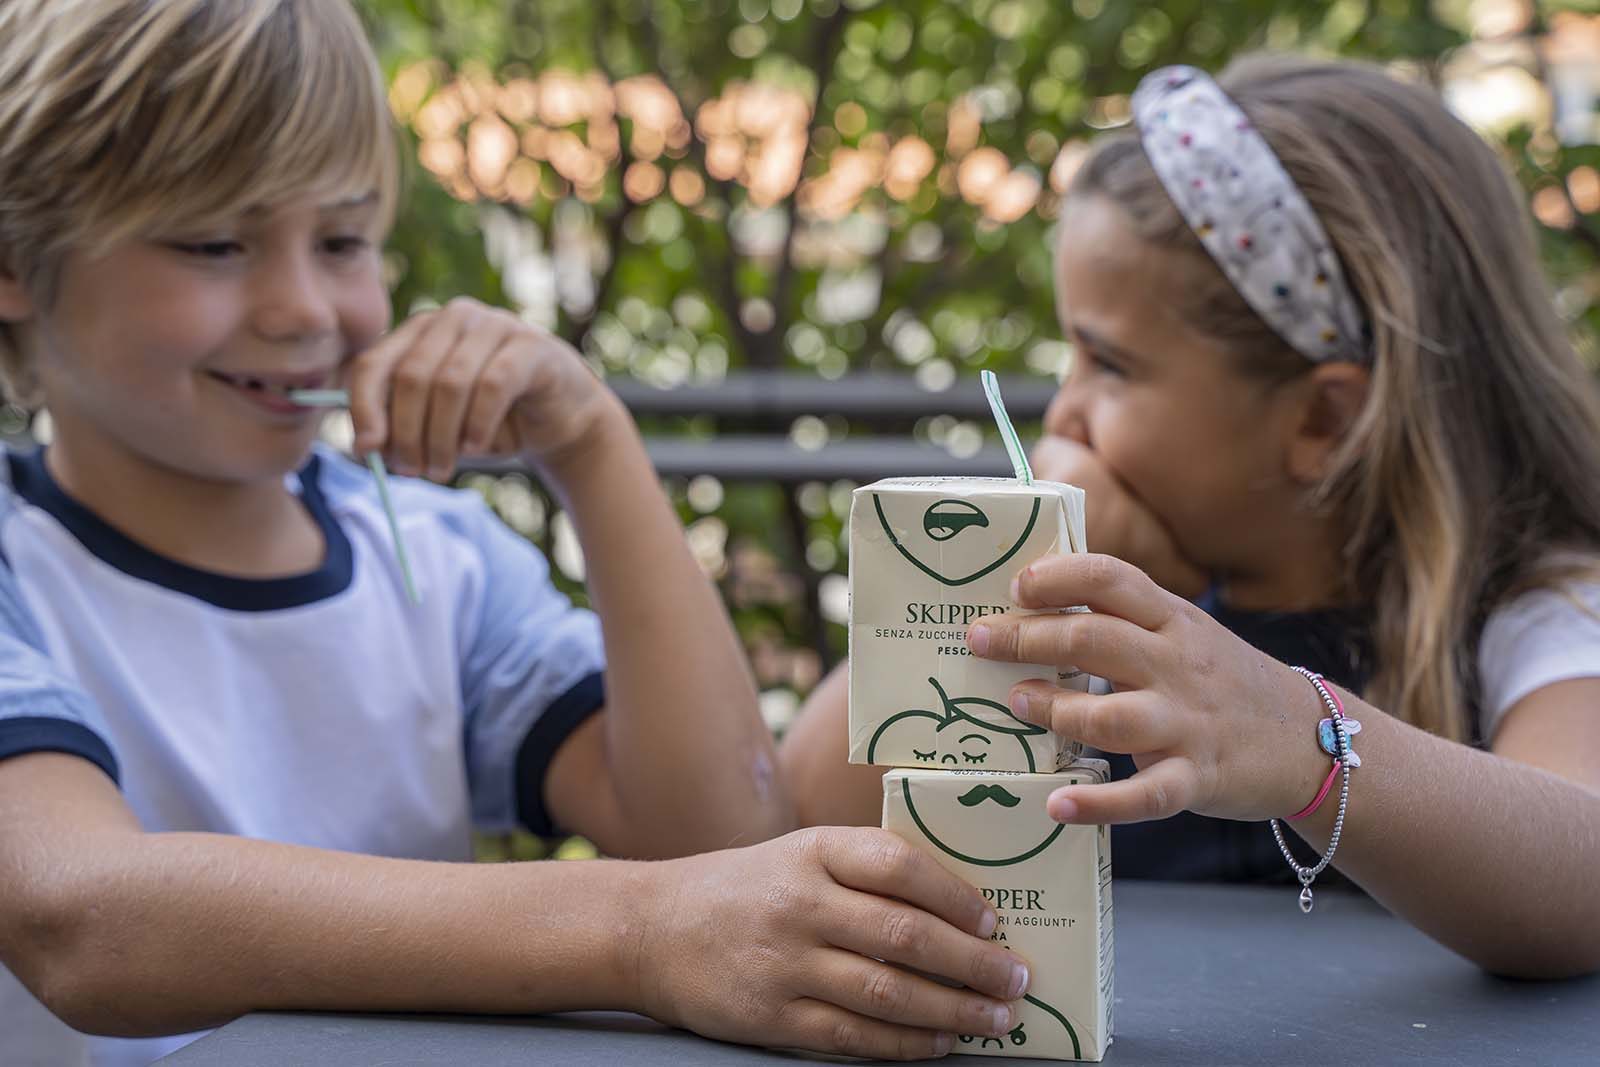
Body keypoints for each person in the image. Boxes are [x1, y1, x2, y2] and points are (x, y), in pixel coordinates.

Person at [0, 3, 1030, 1064]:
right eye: (214, 241)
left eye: (345, 240)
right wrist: (638, 930)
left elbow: (720, 837)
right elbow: (81, 919)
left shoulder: (439, 555)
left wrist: (592, 441)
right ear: (15, 258)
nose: (303, 306)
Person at [781, 55, 1600, 978]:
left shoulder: (1535, 610)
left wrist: (1304, 744)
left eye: (1110, 365)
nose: (1064, 414)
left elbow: (1586, 876)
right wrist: (997, 584)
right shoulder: (1089, 618)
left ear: (1322, 419)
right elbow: (803, 804)